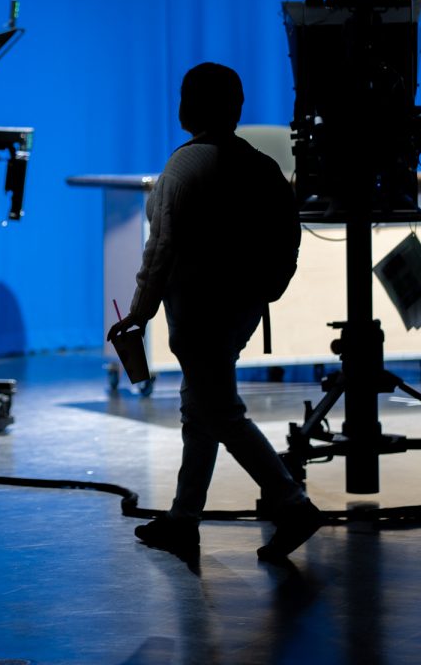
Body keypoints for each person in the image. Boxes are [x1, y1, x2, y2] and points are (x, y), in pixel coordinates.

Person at [108, 62, 321, 562]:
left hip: (199, 316)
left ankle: (293, 505)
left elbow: (159, 252)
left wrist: (139, 314)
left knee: (220, 413)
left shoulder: (183, 168)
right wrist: (267, 291)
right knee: (200, 411)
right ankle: (185, 519)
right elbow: (289, 235)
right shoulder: (262, 166)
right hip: (240, 313)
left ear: (189, 106)